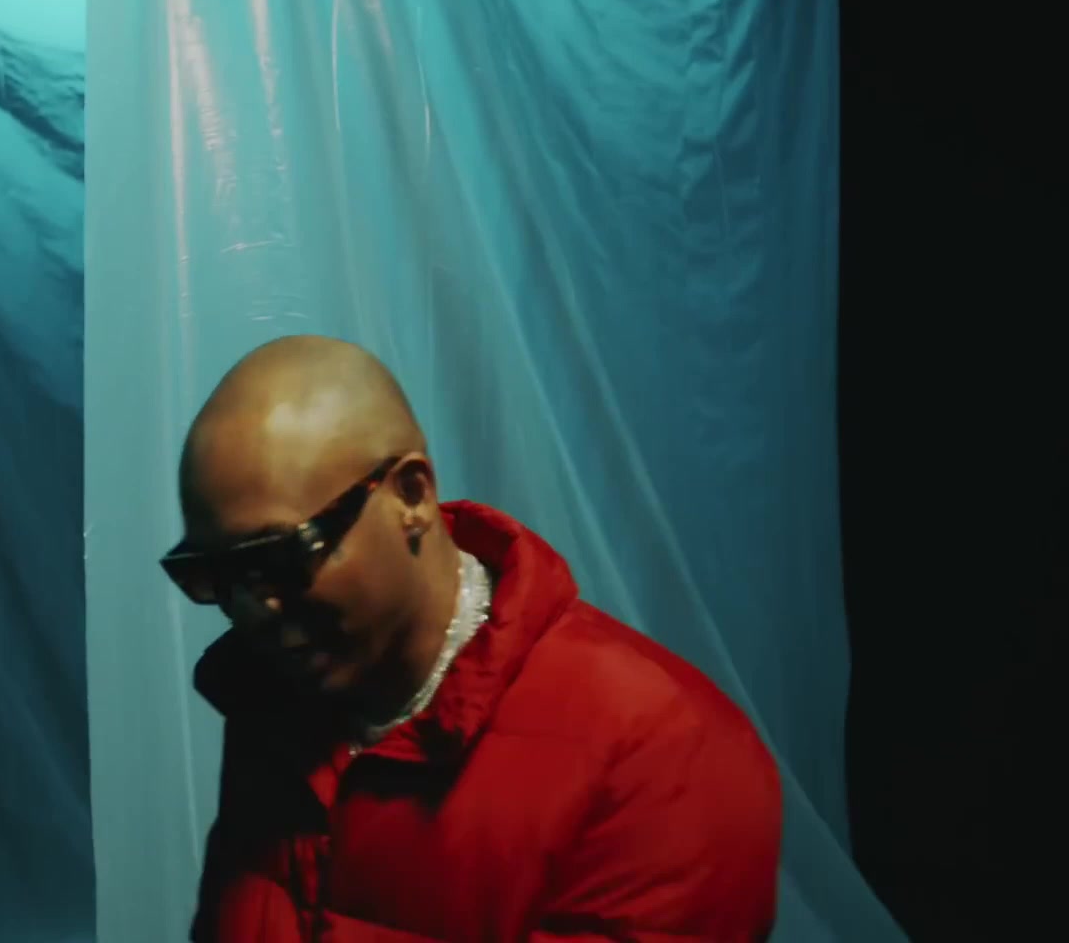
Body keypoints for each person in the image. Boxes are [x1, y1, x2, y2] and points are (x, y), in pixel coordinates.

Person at [166, 336, 783, 942]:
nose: (249, 611)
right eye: (214, 575)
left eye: (283, 556)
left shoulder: (665, 760)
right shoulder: (276, 700)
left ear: (411, 496)